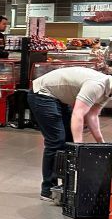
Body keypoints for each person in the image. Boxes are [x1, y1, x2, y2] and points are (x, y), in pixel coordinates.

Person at [26, 65, 112, 200]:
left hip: (58, 98)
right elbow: (78, 114)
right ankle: (48, 189)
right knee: (57, 141)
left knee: (68, 141)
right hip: (42, 94)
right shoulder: (97, 86)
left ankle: (66, 187)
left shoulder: (107, 91)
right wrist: (79, 146)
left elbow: (92, 115)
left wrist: (101, 142)